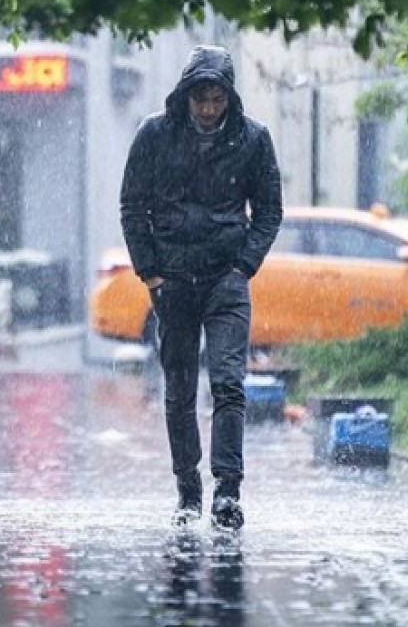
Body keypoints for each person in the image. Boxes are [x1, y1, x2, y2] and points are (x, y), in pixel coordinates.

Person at [120, 45, 283, 530]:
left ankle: (228, 492)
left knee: (229, 384)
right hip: (172, 282)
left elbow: (269, 211)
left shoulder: (253, 139)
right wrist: (151, 273)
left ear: (228, 98)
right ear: (187, 95)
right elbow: (132, 207)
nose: (208, 109)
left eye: (217, 99)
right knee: (179, 388)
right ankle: (188, 492)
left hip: (226, 279)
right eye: (201, 99)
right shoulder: (154, 135)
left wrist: (243, 267)